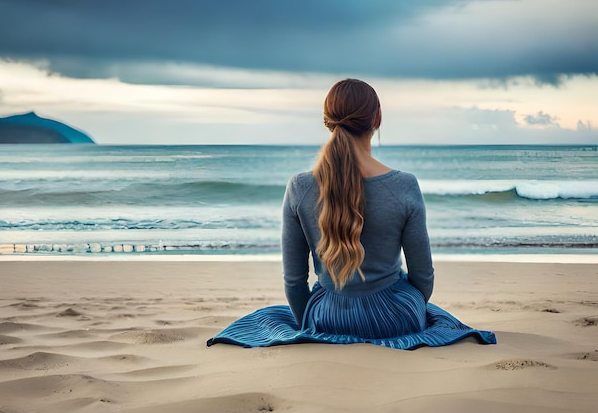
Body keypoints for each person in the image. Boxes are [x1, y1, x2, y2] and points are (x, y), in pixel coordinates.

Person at [207, 79, 496, 349]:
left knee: (268, 316)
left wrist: (310, 323)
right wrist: (408, 305)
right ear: (376, 119)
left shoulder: (300, 187)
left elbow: (294, 282)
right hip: (396, 320)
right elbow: (423, 278)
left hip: (326, 319)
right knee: (420, 298)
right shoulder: (404, 185)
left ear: (327, 121)